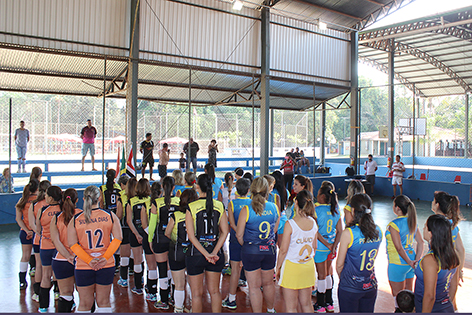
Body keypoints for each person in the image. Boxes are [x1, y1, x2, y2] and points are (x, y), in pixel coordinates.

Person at [67, 185, 122, 313]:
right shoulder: (110, 216)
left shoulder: (76, 219)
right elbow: (118, 238)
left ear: (84, 198)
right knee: (104, 302)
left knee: (85, 304)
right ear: (100, 198)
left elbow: (73, 244)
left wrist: (89, 260)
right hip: (106, 265)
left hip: (83, 266)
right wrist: (104, 258)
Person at [185, 173, 229, 313]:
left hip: (196, 255)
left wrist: (205, 254)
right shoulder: (219, 205)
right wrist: (213, 252)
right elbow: (224, 232)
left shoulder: (191, 206)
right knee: (215, 292)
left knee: (196, 295)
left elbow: (191, 236)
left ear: (197, 186)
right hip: (215, 254)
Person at [236, 177, 279, 313]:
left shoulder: (246, 209)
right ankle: (271, 310)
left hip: (251, 250)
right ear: (267, 191)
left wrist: (248, 246)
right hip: (269, 251)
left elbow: (239, 235)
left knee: (254, 287)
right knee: (268, 284)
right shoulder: (274, 207)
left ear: (252, 190)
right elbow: (274, 230)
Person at [336, 193, 382, 313]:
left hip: (350, 287)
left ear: (352, 210)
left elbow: (339, 265)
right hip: (370, 286)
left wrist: (346, 280)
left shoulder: (349, 233)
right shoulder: (378, 231)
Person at [276, 190, 318, 313]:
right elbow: (314, 247)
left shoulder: (290, 224)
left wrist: (278, 267)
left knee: (291, 307)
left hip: (292, 267)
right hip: (308, 266)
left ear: (296, 202)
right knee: (306, 304)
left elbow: (283, 250)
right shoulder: (313, 222)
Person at [414, 214, 459, 313]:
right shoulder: (452, 255)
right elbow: (453, 286)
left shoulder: (430, 260)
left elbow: (430, 296)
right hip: (446, 307)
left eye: (425, 226)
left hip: (431, 309)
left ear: (431, 233)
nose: (423, 228)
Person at [386, 195, 424, 312]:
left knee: (398, 298)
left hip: (398, 264)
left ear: (397, 208)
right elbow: (421, 242)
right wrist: (415, 261)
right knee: (409, 297)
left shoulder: (394, 225)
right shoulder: (412, 222)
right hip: (411, 264)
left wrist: (408, 261)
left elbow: (399, 247)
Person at [148, 176, 180, 308]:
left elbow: (152, 224)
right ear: (174, 187)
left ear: (162, 186)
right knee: (173, 268)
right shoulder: (178, 201)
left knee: (162, 268)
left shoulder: (157, 202)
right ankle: (173, 297)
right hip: (174, 239)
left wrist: (150, 240)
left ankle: (163, 300)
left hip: (160, 239)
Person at [165, 189, 198, 313]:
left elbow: (167, 233)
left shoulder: (176, 215)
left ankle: (178, 309)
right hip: (193, 252)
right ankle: (195, 309)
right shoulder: (196, 214)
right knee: (194, 286)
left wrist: (176, 240)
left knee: (179, 284)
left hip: (177, 251)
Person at [431, 191, 465, 310]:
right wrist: (459, 269)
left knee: (437, 298)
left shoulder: (435, 224)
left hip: (440, 267)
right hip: (452, 264)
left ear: (437, 205)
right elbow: (461, 249)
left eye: (433, 201)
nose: (432, 202)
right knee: (451, 299)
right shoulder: (453, 224)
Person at [223, 178, 252, 310]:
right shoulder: (252, 203)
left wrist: (238, 232)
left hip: (235, 240)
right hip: (249, 239)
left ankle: (232, 299)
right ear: (248, 190)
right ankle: (254, 296)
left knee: (235, 270)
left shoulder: (232, 204)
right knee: (251, 270)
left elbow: (231, 223)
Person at [50, 188, 81, 312]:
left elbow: (55, 241)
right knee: (86, 295)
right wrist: (74, 255)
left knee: (65, 294)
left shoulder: (57, 217)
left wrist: (67, 255)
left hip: (61, 260)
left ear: (62, 200)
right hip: (81, 259)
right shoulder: (82, 215)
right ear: (77, 200)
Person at [313, 185, 342, 313]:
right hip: (331, 248)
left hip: (321, 247)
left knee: (321, 275)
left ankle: (320, 304)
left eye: (318, 194)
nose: (316, 196)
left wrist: (326, 244)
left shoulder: (317, 210)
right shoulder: (335, 209)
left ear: (323, 196)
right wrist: (334, 245)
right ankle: (329, 302)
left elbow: (315, 232)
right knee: (328, 272)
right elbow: (340, 230)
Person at [36, 185, 63, 313]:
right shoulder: (63, 209)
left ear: (51, 198)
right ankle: (63, 298)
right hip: (60, 246)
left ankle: (43, 305)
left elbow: (37, 229)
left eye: (46, 195)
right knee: (61, 275)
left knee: (46, 275)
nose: (44, 197)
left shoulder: (43, 210)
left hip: (46, 245)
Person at [126, 178, 152, 296]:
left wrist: (136, 234)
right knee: (150, 262)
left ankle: (138, 286)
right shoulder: (151, 201)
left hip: (135, 233)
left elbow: (129, 221)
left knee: (137, 259)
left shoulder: (131, 201)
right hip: (148, 233)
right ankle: (150, 286)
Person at [28, 180, 51, 302]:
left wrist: (39, 232)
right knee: (51, 268)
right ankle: (58, 291)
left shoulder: (34, 204)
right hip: (52, 240)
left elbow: (32, 224)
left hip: (39, 239)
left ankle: (37, 292)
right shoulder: (52, 204)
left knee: (39, 265)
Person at [15, 179, 39, 290]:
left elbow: (18, 219)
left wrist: (26, 230)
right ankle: (39, 281)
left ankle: (22, 281)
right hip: (36, 233)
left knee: (25, 256)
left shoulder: (22, 200)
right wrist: (32, 231)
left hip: (24, 232)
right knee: (38, 257)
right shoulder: (38, 201)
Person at [116, 175, 134, 288]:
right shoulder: (140, 197)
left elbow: (118, 214)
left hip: (125, 226)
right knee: (137, 253)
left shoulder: (122, 197)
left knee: (124, 254)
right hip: (138, 227)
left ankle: (123, 278)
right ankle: (138, 275)